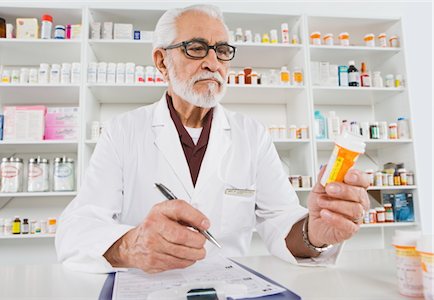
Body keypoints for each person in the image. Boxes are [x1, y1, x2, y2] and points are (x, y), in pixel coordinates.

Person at [56, 4, 370, 274]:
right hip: (149, 288)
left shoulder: (251, 134)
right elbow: (75, 230)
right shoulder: (123, 131)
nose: (213, 62)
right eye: (195, 48)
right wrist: (132, 246)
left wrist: (314, 233)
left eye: (222, 50)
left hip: (230, 286)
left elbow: (281, 220)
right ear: (162, 61)